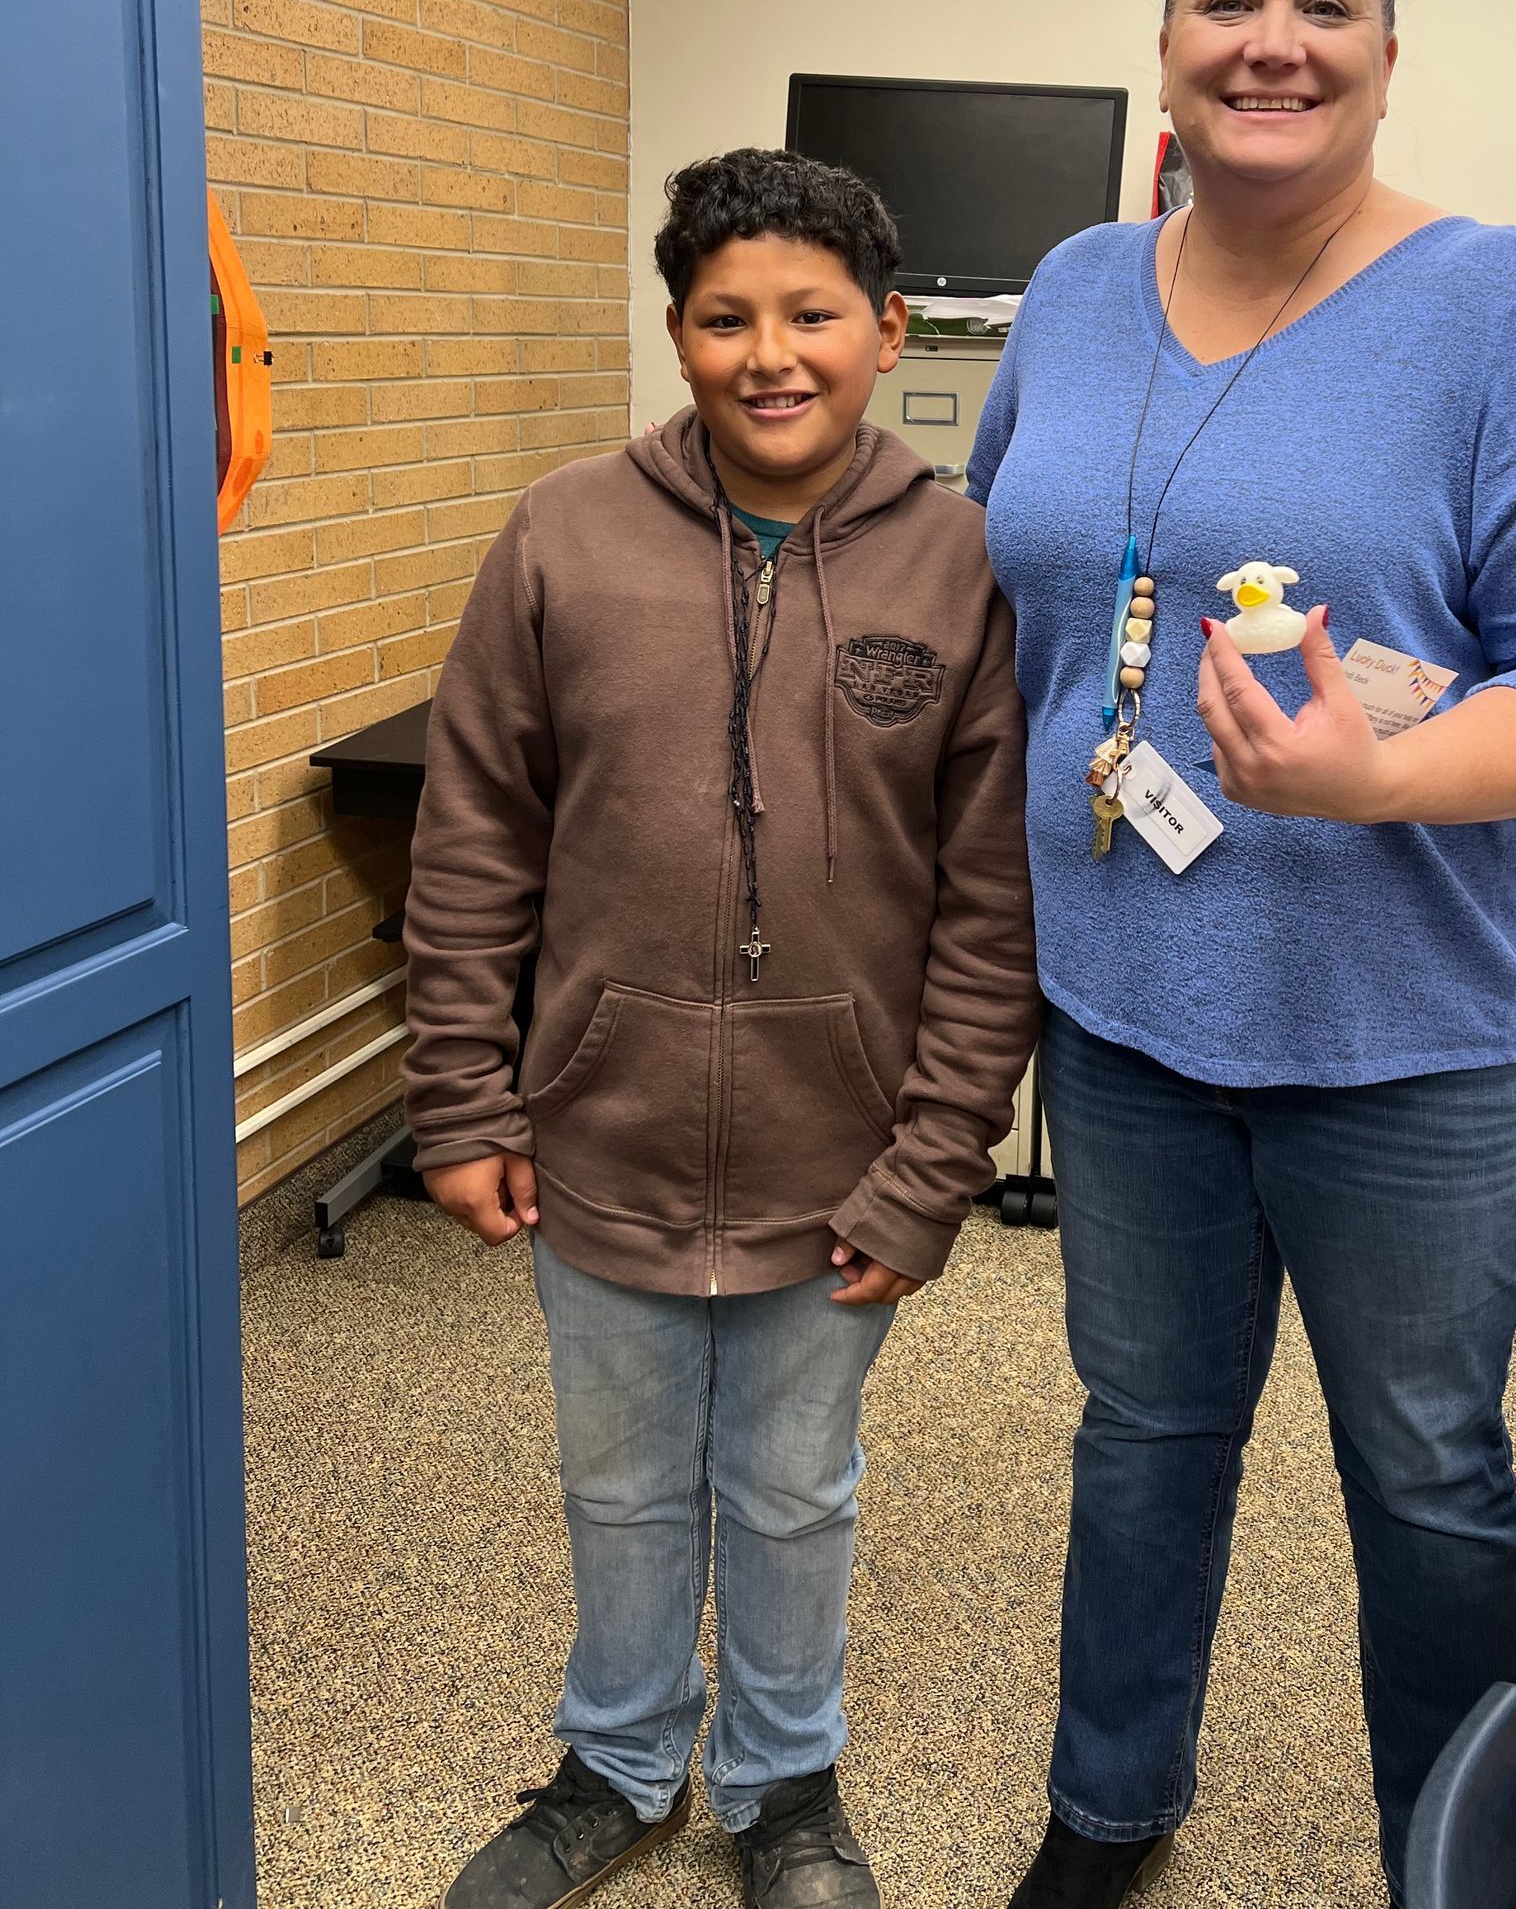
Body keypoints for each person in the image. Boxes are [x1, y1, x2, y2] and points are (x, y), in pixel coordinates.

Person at [968, 0, 1516, 1909]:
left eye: (1323, 3)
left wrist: (1381, 773)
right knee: (1144, 1436)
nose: (1270, 40)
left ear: (1388, 43)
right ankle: (1106, 1811)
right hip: (1127, 1013)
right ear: (1168, 29)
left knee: (1431, 1474)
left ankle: (1444, 1857)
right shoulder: (1082, 289)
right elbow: (1011, 570)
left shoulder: (1505, 312)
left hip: (1416, 1045)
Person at [402, 147, 1040, 1909]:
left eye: (814, 315)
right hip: (593, 1133)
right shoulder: (564, 537)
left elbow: (993, 910)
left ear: (886, 328)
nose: (773, 354)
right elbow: (473, 844)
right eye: (724, 317)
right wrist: (460, 1098)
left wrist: (931, 1170)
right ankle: (616, 1761)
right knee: (616, 1482)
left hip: (838, 1159)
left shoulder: (963, 565)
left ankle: (783, 1787)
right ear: (676, 334)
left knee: (787, 1491)